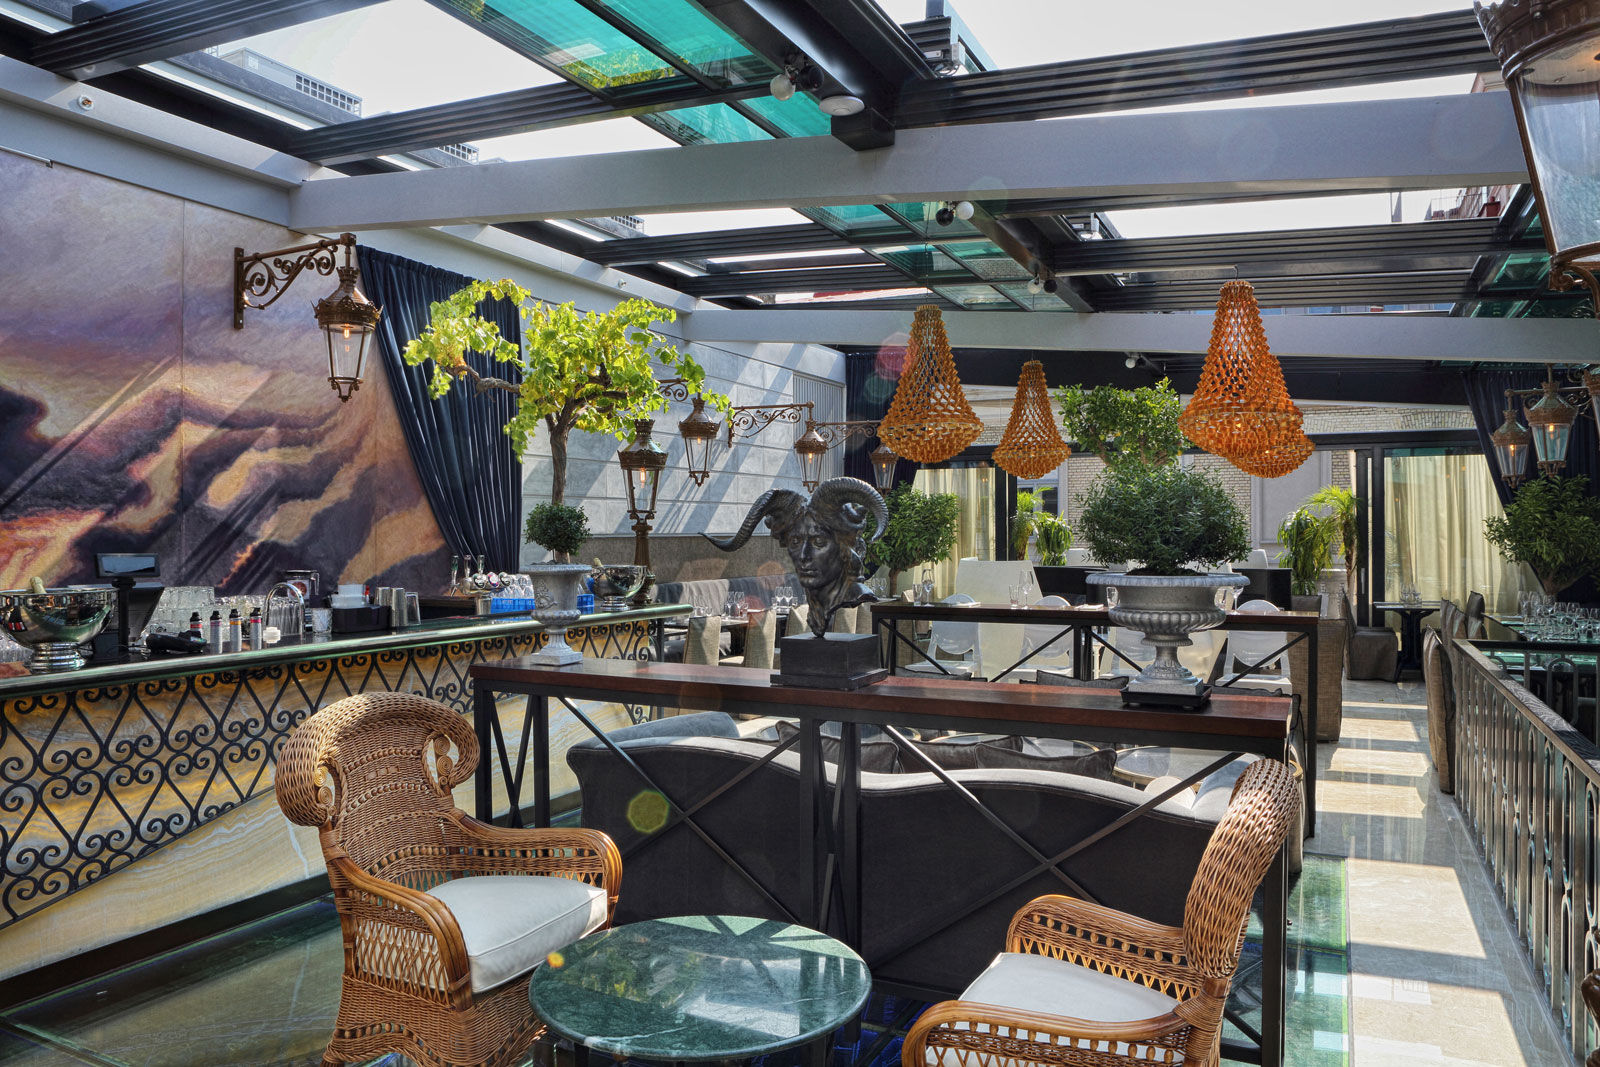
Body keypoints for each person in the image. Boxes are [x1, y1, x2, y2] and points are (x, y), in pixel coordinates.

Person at [705, 478, 887, 638]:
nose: (804, 556)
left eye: (819, 541)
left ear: (841, 546)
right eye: (795, 541)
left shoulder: (855, 593)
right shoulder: (814, 592)